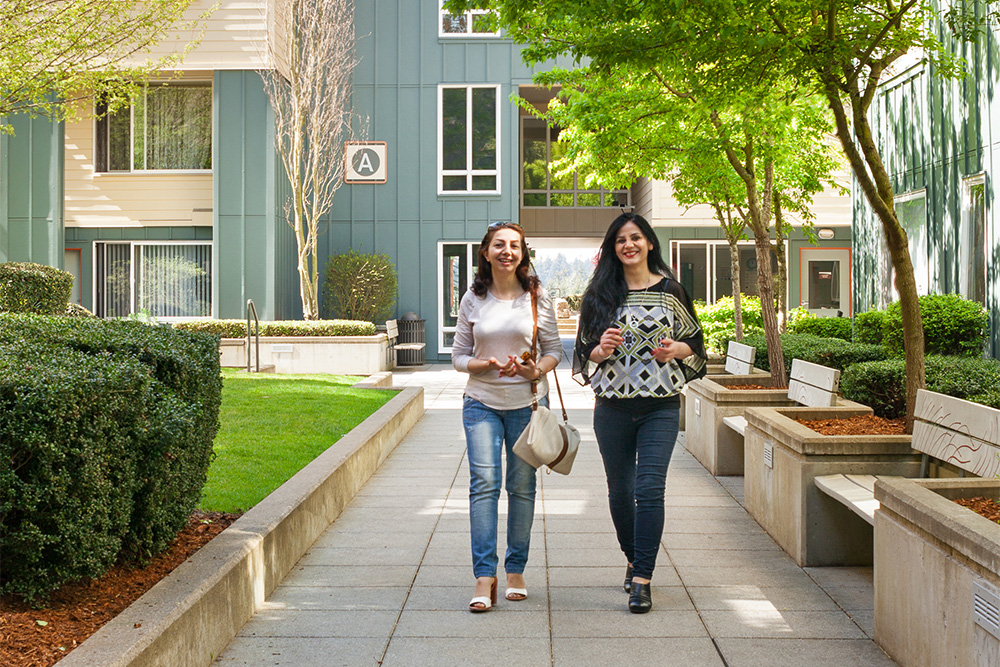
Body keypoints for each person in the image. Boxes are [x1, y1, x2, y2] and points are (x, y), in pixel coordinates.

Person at [572, 212, 707, 614]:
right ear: (613, 249)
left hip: (659, 407)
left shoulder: (671, 292)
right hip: (611, 408)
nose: (628, 245)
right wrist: (602, 349)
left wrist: (674, 350)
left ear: (649, 242)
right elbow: (583, 352)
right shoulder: (599, 295)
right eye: (620, 240)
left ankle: (642, 579)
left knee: (649, 490)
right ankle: (632, 558)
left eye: (635, 238)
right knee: (620, 491)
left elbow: (695, 344)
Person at [452, 221, 562, 613]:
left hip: (527, 405)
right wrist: (480, 364)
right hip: (480, 402)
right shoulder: (472, 298)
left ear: (523, 253)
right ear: (486, 252)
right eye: (499, 245)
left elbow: (553, 350)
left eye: (515, 245)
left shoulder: (536, 296)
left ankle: (515, 569)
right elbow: (458, 356)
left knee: (521, 486)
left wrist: (536, 370)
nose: (507, 251)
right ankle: (485, 576)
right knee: (483, 484)